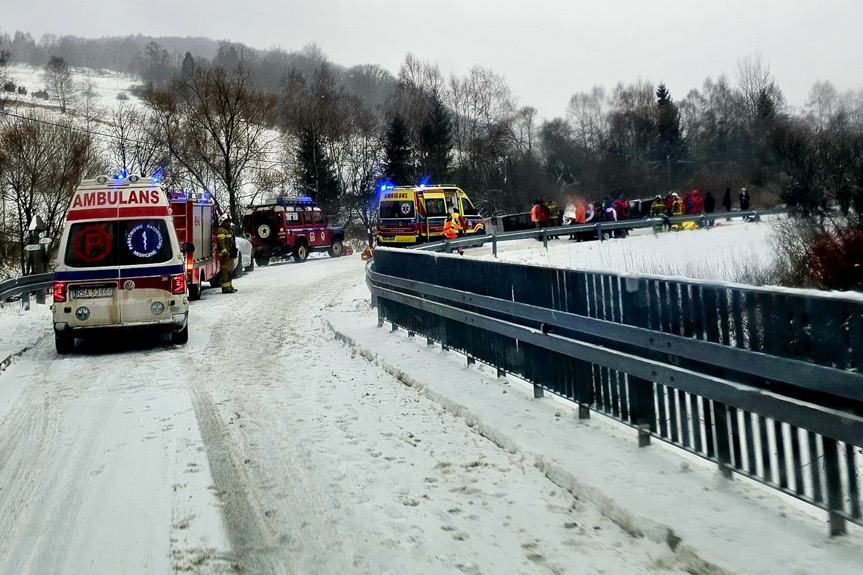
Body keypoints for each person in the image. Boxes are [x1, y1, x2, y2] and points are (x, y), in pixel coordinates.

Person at [216, 216, 238, 293]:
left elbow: (232, 241)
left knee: (230, 272)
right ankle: (225, 288)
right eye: (226, 222)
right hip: (224, 255)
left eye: (228, 221)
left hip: (229, 254)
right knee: (225, 272)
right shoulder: (221, 230)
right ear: (222, 222)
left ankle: (229, 286)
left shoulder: (228, 230)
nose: (228, 223)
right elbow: (221, 243)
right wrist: (225, 252)